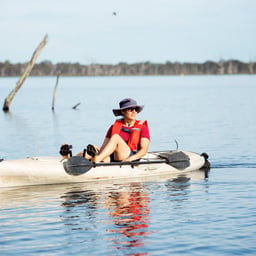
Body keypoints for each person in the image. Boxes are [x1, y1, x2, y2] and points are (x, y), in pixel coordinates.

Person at [91, 98, 150, 163]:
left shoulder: (143, 128)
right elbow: (104, 146)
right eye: (131, 109)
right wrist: (97, 151)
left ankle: (97, 160)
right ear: (123, 111)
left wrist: (130, 159)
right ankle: (86, 164)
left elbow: (143, 151)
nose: (134, 111)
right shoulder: (113, 127)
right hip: (114, 156)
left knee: (115, 137)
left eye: (136, 109)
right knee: (91, 149)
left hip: (131, 156)